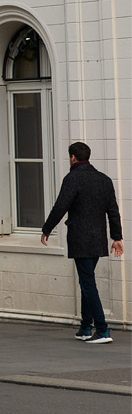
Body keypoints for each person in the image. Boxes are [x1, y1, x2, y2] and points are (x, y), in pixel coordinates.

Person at [41, 141, 123, 344]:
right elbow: (113, 211)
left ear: (73, 158)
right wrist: (117, 237)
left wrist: (46, 229)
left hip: (80, 238)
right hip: (98, 239)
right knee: (86, 280)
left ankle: (102, 329)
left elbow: (61, 206)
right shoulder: (104, 180)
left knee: (87, 283)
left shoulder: (72, 178)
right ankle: (86, 327)